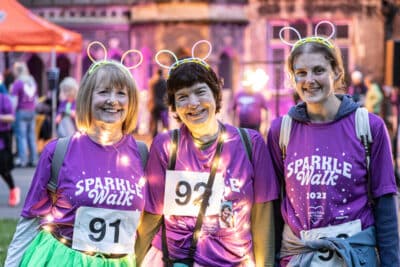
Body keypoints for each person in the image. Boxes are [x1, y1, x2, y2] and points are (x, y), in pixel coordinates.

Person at [135, 40, 279, 267]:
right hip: (175, 261)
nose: (193, 104)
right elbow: (151, 217)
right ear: (173, 106)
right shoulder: (164, 145)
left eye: (200, 92)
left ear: (215, 95)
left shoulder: (250, 144)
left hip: (235, 261)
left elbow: (262, 217)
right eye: (182, 97)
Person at [267, 22, 400, 266]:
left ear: (337, 73)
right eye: (301, 73)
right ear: (292, 77)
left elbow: (385, 202)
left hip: (355, 255)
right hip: (299, 256)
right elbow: (274, 206)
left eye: (319, 70)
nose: (310, 80)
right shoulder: (280, 131)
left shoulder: (369, 127)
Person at [6, 56, 146, 266]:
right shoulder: (59, 150)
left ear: (131, 101)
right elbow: (30, 221)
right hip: (63, 259)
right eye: (103, 92)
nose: (112, 100)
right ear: (87, 98)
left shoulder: (142, 154)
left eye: (120, 93)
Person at [11, 61, 38, 167]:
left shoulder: (18, 83)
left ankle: (23, 160)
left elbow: (14, 101)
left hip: (21, 111)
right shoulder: (32, 82)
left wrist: (12, 113)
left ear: (18, 71)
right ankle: (34, 159)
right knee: (31, 136)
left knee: (21, 137)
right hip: (31, 111)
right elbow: (35, 100)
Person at [0, 73, 20, 207]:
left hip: (2, 137)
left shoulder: (4, 99)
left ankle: (13, 189)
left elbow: (12, 118)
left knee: (3, 169)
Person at [148, 68, 169, 137]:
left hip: (155, 104)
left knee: (155, 121)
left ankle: (155, 136)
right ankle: (165, 135)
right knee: (164, 122)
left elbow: (151, 93)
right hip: (162, 104)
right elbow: (166, 94)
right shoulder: (164, 83)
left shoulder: (154, 83)